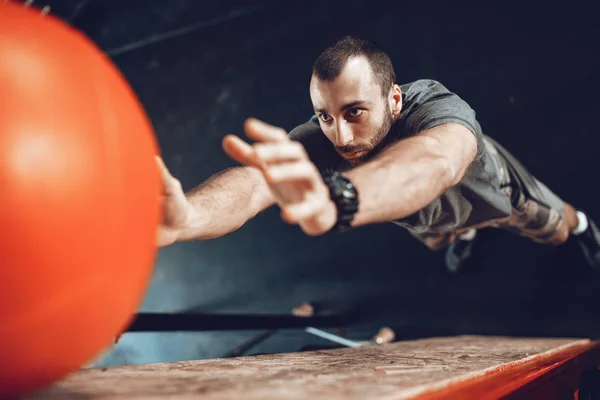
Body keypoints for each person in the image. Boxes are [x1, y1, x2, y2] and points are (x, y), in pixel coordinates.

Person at [156, 35, 600, 273]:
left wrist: (341, 196)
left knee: (558, 226)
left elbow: (437, 160)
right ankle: (463, 236)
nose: (341, 135)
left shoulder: (435, 105)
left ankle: (587, 231)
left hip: (491, 194)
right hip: (420, 214)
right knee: (440, 236)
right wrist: (190, 217)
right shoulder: (321, 136)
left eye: (355, 112)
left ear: (394, 100)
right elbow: (256, 183)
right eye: (325, 116)